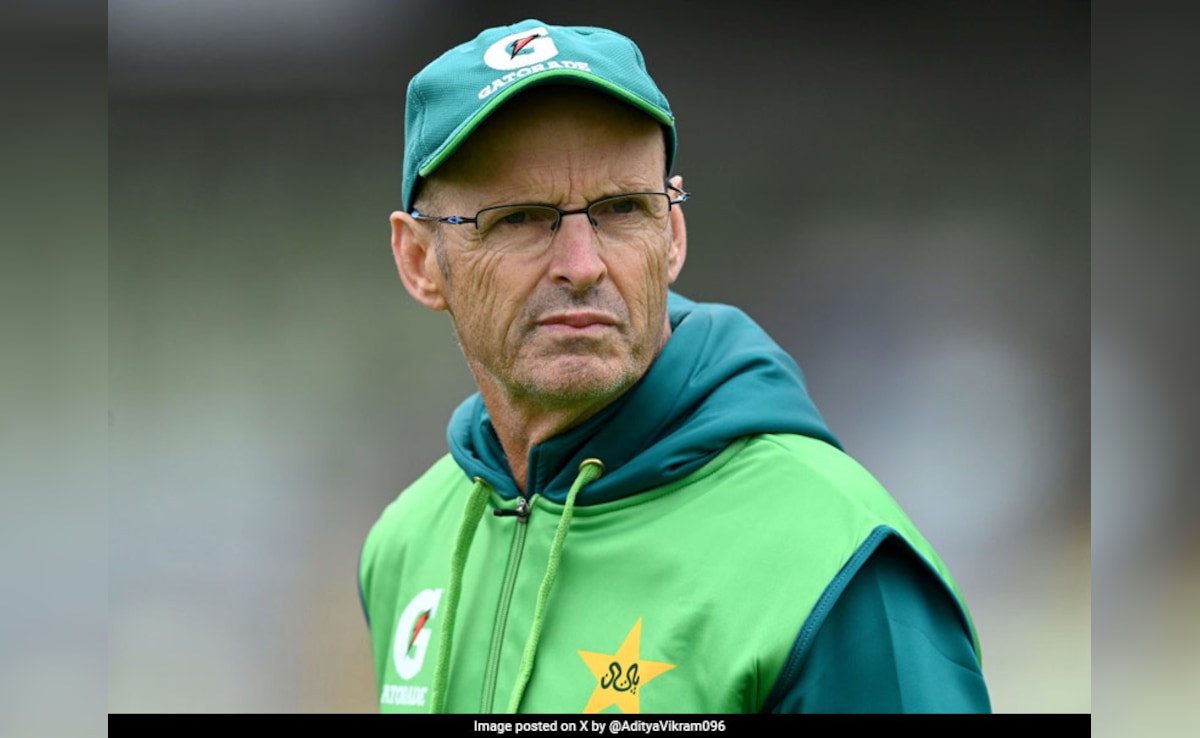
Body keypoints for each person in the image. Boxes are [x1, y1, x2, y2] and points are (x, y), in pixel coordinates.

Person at [359, 19, 991, 715]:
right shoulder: (406, 544)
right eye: (518, 218)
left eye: (622, 209)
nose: (582, 265)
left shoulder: (835, 566)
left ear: (673, 236)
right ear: (420, 261)